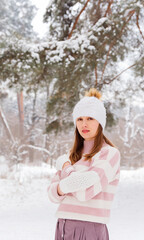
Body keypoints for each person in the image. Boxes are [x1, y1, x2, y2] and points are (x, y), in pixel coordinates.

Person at [47, 88, 121, 240]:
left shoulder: (109, 154)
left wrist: (66, 169)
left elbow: (84, 193)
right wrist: (65, 186)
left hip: (90, 228)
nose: (84, 124)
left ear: (100, 122)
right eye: (80, 119)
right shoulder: (72, 156)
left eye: (90, 118)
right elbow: (52, 194)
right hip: (63, 226)